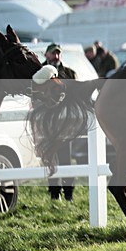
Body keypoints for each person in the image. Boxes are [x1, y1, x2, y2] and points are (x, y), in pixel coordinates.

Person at [44, 43, 77, 201]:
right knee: (50, 158)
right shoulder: (38, 73)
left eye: (58, 53)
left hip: (65, 124)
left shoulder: (70, 73)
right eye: (53, 53)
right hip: (46, 123)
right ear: (46, 55)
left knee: (65, 158)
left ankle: (69, 193)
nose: (56, 56)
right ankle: (54, 194)